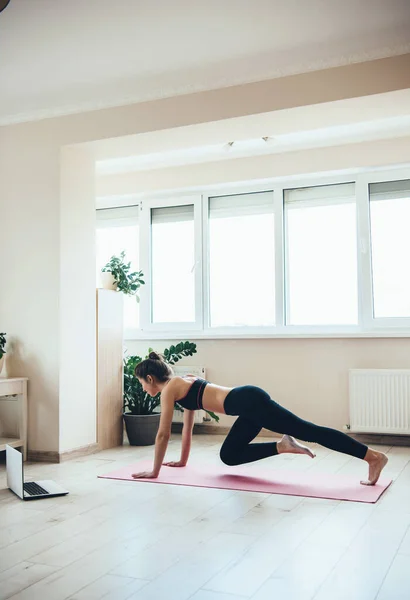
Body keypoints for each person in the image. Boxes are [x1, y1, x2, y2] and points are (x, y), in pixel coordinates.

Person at [131, 352, 388, 486]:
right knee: (229, 455)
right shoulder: (179, 384)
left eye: (142, 383)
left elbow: (164, 433)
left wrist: (154, 471)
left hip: (250, 401)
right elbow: (187, 429)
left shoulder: (170, 389)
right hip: (247, 406)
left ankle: (373, 456)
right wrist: (182, 461)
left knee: (311, 431)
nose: (143, 389)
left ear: (150, 379)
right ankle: (283, 445)